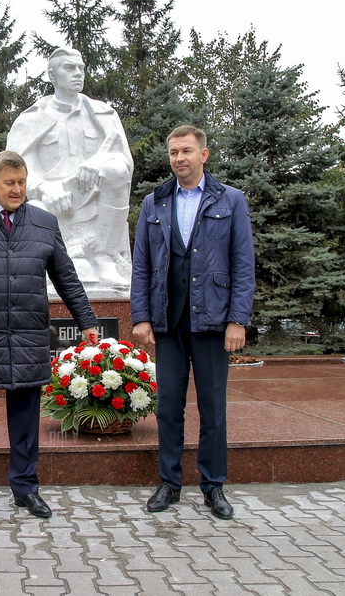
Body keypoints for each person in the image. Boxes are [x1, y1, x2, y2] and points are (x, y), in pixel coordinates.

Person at [0, 150, 98, 519]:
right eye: (10, 182)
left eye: (22, 182)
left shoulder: (44, 223)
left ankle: (26, 488)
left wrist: (87, 320)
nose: (17, 189)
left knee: (25, 418)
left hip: (27, 334)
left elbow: (66, 276)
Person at [130, 125, 255, 520]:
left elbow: (243, 263)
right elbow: (142, 265)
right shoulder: (155, 202)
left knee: (212, 406)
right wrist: (141, 316)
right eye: (173, 152)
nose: (179, 158)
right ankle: (169, 482)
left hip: (213, 319)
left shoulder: (230, 200)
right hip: (168, 319)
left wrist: (237, 319)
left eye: (186, 151)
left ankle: (213, 485)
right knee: (167, 406)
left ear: (204, 154)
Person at [6, 47, 133, 295]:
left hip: (95, 199)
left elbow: (124, 163)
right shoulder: (32, 118)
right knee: (36, 210)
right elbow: (14, 170)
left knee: (115, 169)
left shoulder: (104, 115)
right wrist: (44, 188)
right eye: (69, 68)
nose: (78, 74)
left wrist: (100, 162)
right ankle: (61, 265)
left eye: (81, 68)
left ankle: (103, 257)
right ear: (52, 76)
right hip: (51, 203)